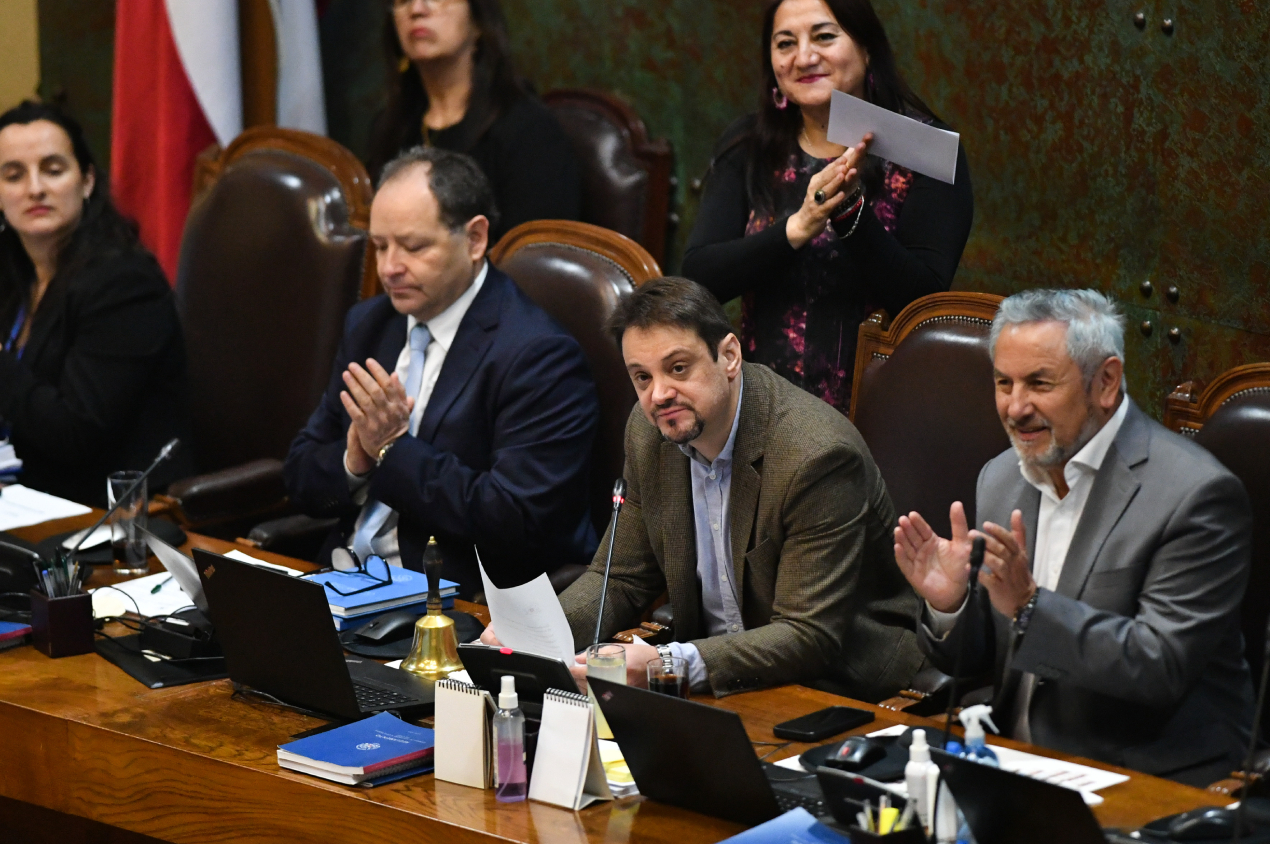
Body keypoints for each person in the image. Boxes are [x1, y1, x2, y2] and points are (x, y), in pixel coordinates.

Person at [483, 276, 924, 701]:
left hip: (841, 686)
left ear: (729, 356)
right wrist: (534, 635)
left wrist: (667, 664)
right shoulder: (649, 432)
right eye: (642, 377)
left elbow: (809, 635)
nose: (659, 394)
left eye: (678, 368)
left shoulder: (816, 456)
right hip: (717, 675)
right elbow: (621, 578)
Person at [895, 289, 1256, 786]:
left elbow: (1161, 667)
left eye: (1039, 383)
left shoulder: (1194, 494)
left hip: (1144, 777)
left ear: (1105, 382)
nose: (1015, 408)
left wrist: (1028, 607)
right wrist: (952, 604)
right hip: (1011, 764)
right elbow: (982, 659)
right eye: (1003, 383)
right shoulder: (1001, 477)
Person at [283, 147, 598, 600]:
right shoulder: (370, 325)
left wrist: (392, 448)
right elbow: (300, 477)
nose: (389, 268)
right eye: (380, 246)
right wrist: (355, 460)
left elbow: (515, 520)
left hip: (450, 603)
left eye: (413, 247)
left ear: (474, 239)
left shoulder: (538, 355)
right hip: (339, 584)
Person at [681, 0, 973, 413]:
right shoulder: (750, 144)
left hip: (876, 417)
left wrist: (850, 211)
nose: (804, 57)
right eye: (785, 43)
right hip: (761, 410)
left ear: (867, 48)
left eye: (823, 37)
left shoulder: (922, 150)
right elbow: (699, 276)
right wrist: (797, 229)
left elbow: (921, 302)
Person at [0, 101, 191, 505]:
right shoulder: (13, 274)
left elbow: (77, 434)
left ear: (86, 181)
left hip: (113, 512)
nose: (35, 188)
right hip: (28, 497)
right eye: (13, 175)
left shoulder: (124, 282)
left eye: (53, 170)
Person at [367, 0, 581, 239]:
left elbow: (537, 254)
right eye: (403, 0)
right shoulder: (390, 129)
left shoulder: (528, 129)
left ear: (478, 21)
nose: (417, 9)